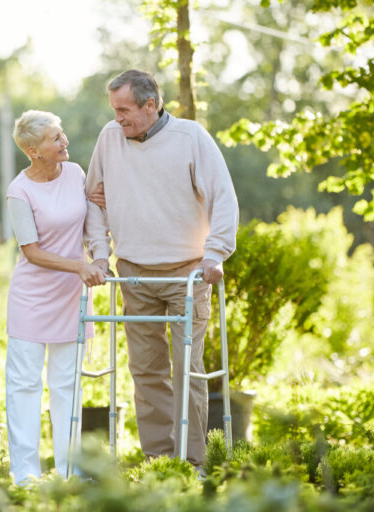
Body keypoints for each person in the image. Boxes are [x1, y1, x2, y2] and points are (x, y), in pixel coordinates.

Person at [84, 70, 239, 470]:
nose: (118, 118)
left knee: (187, 368)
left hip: (187, 272)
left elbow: (223, 197)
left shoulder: (190, 138)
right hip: (134, 271)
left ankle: (192, 463)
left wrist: (215, 254)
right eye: (114, 110)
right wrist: (100, 254)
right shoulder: (109, 138)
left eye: (125, 110)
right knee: (146, 370)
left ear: (151, 105)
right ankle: (159, 462)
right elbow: (93, 200)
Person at [5, 110, 105, 485]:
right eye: (54, 138)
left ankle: (70, 472)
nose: (64, 141)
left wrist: (97, 256)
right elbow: (31, 251)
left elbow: (91, 219)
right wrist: (80, 267)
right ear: (33, 150)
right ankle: (25, 475)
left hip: (70, 297)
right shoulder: (20, 190)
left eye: (61, 134)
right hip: (31, 298)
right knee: (25, 386)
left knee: (67, 385)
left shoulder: (76, 173)